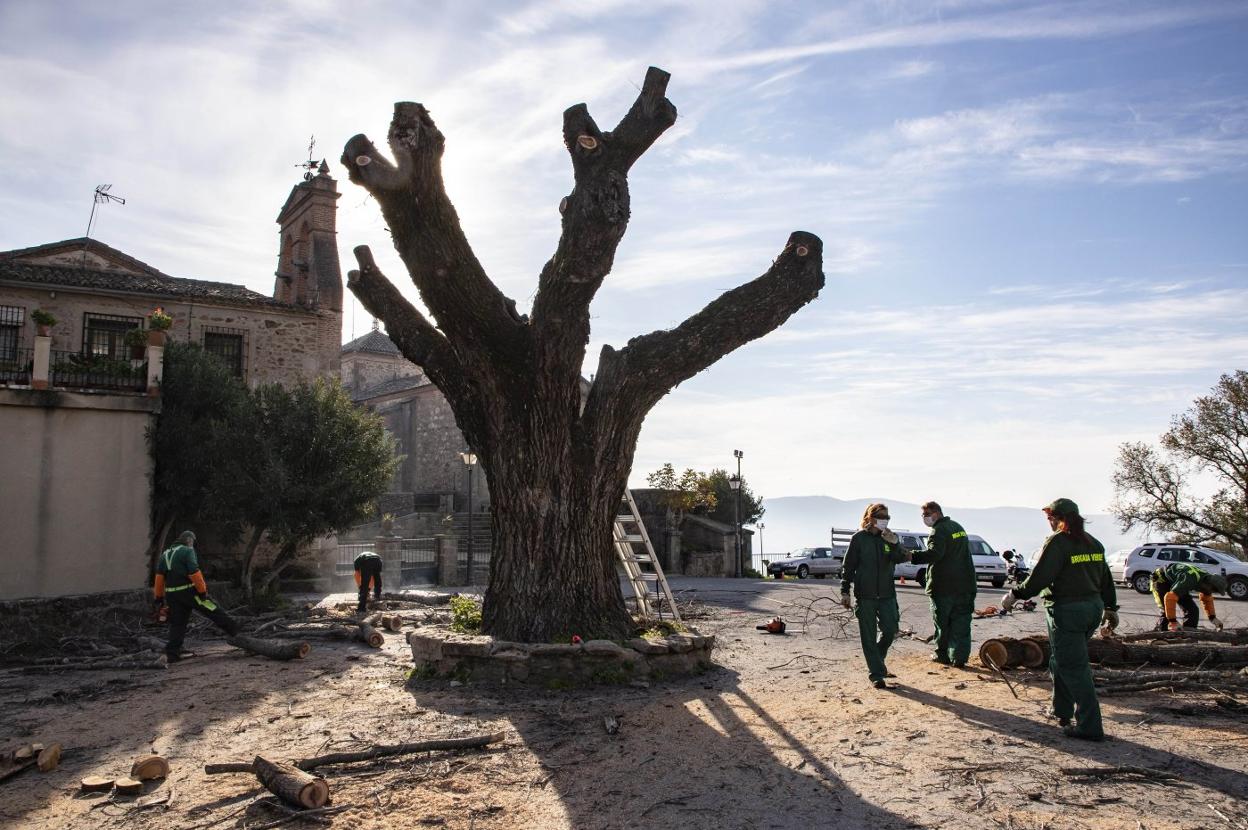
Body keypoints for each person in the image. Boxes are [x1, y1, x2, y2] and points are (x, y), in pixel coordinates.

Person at [1001, 499, 1118, 741]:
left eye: (1050, 518)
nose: (1049, 523)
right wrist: (1110, 607)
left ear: (1059, 518)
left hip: (1067, 611)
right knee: (1060, 659)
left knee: (1074, 666)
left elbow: (1041, 575)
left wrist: (1016, 594)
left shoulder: (1058, 542)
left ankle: (1089, 726)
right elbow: (1106, 578)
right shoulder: (1093, 543)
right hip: (1091, 609)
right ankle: (1061, 710)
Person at [840, 503, 910, 689]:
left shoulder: (889, 538)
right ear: (869, 518)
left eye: (887, 517)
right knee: (868, 637)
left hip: (887, 594)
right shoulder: (859, 539)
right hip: (866, 596)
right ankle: (876, 674)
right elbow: (848, 567)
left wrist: (895, 543)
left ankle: (877, 660)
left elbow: (902, 557)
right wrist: (845, 591)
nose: (884, 520)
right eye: (880, 516)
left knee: (890, 630)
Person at [153, 531, 239, 662]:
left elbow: (159, 577)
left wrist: (158, 598)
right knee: (212, 609)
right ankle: (236, 632)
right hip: (189, 593)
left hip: (172, 595)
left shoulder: (165, 553)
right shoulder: (187, 551)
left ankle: (172, 654)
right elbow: (194, 571)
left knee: (178, 624)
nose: (193, 544)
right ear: (188, 540)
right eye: (192, 541)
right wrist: (202, 592)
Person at [910, 501, 976, 667]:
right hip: (965, 584)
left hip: (944, 586)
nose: (924, 518)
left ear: (935, 513)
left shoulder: (938, 530)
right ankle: (959, 657)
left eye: (925, 515)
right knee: (961, 622)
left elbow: (935, 553)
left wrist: (912, 556)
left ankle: (942, 655)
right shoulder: (957, 527)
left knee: (943, 623)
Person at [1150, 563, 1228, 632]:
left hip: (1178, 582)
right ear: (1209, 584)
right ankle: (1160, 636)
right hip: (1161, 580)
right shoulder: (1190, 579)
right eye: (1213, 589)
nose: (1212, 592)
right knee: (1166, 612)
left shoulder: (1206, 580)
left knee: (1193, 610)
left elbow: (1206, 599)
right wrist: (1173, 622)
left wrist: (1213, 618)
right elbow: (1169, 598)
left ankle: (1188, 635)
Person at [354, 550, 384, 614]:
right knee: (377, 579)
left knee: (365, 583)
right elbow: (373, 578)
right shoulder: (361, 559)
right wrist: (369, 589)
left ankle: (361, 608)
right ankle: (377, 597)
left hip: (367, 561)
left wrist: (361, 587)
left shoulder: (356, 561)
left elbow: (356, 575)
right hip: (378, 560)